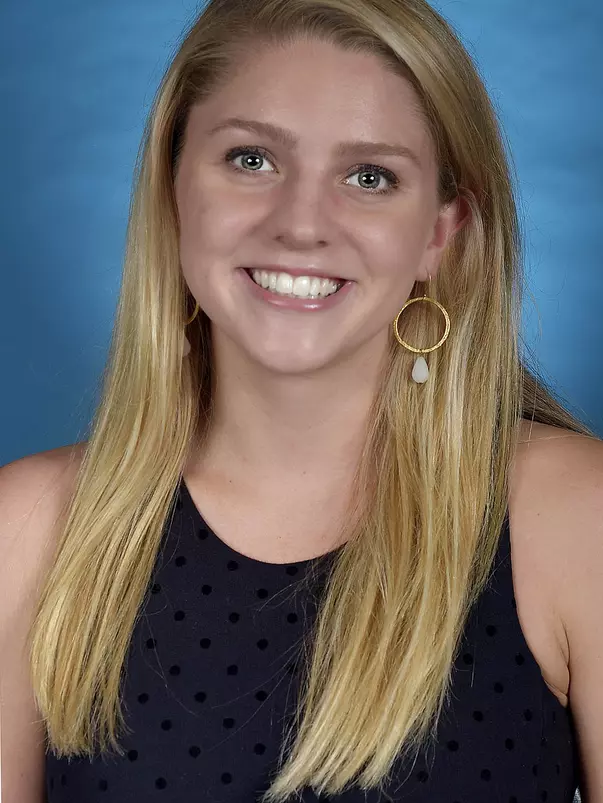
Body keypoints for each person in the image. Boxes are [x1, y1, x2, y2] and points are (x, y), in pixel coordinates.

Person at [1, 0, 602, 801]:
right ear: (173, 183)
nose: (301, 226)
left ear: (440, 232)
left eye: (369, 177)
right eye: (251, 159)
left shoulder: (574, 519)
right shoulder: (29, 531)